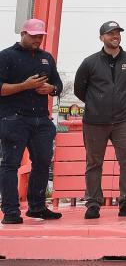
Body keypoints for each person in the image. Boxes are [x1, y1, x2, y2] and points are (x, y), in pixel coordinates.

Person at [73, 21, 126, 219]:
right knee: (94, 163)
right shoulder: (90, 62)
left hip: (123, 120)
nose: (115, 36)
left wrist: (119, 101)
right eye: (110, 33)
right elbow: (80, 89)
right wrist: (98, 104)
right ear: (101, 37)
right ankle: (93, 203)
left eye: (117, 33)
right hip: (95, 121)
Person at [0, 19, 63, 225]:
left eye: (40, 36)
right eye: (34, 36)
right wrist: (24, 86)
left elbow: (58, 84)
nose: (38, 40)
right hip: (14, 118)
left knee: (43, 162)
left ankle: (37, 207)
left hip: (41, 119)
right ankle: (10, 211)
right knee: (11, 164)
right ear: (23, 34)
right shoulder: (7, 56)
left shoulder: (46, 57)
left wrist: (51, 89)